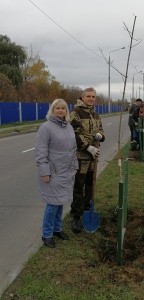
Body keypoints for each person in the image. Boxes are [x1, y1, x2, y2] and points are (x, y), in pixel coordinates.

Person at [35, 99, 79, 248]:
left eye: (63, 108)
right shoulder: (45, 128)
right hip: (53, 172)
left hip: (66, 171)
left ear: (66, 111)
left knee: (61, 202)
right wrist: (45, 172)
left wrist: (75, 165)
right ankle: (46, 234)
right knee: (53, 203)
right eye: (57, 108)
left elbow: (73, 149)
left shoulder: (69, 127)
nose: (60, 111)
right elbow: (41, 152)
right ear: (52, 110)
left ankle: (57, 229)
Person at [70, 87, 105, 233]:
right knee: (79, 186)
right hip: (80, 157)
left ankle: (86, 210)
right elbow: (74, 133)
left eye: (93, 97)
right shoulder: (76, 112)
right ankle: (76, 217)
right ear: (82, 97)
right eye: (88, 96)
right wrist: (87, 147)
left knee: (90, 185)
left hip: (93, 159)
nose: (91, 99)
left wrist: (100, 137)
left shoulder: (96, 114)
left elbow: (101, 131)